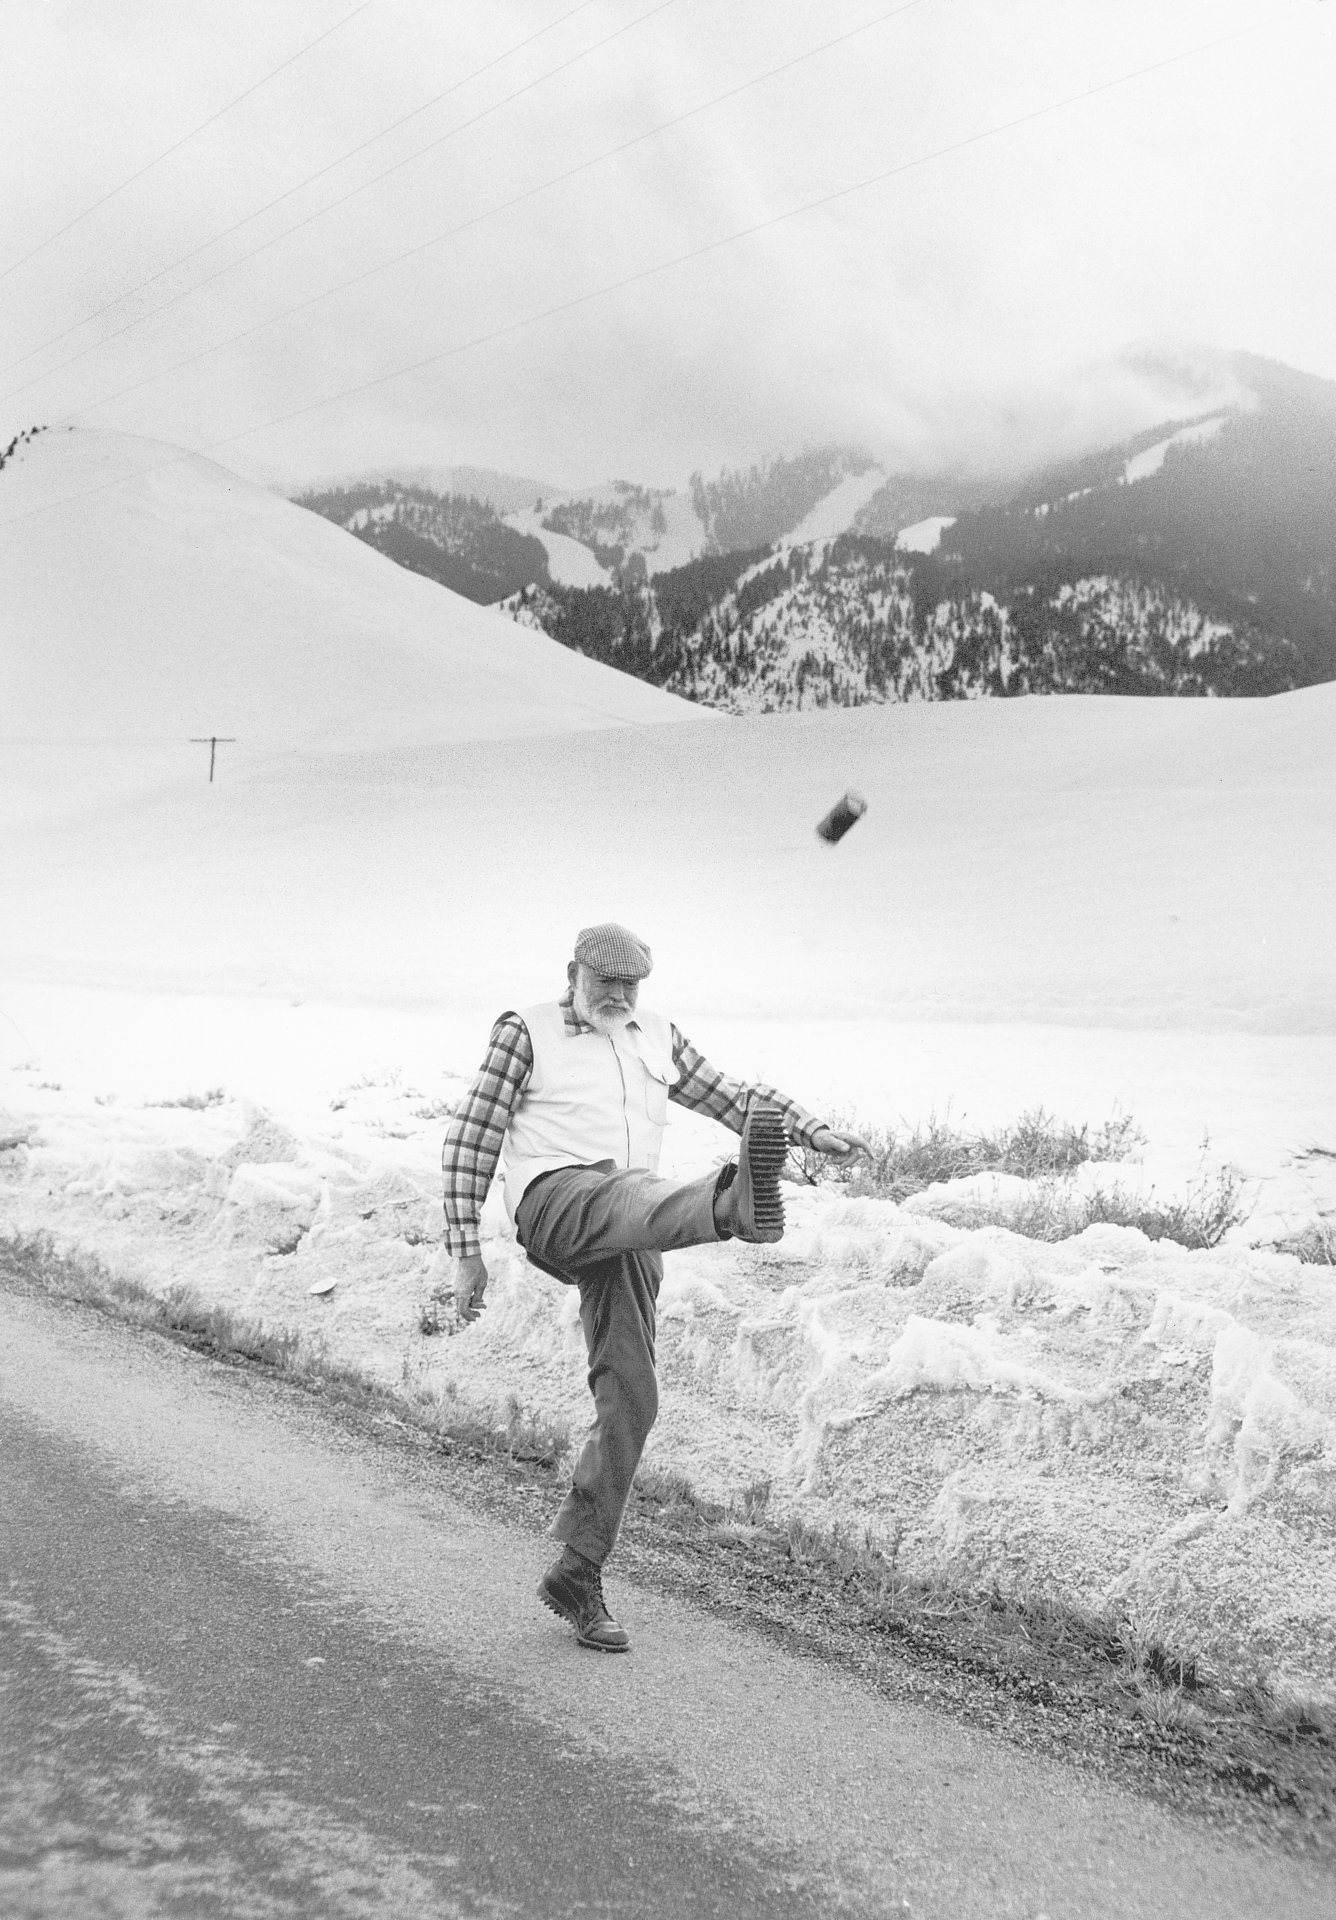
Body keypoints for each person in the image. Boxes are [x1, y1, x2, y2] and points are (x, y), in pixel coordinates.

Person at [440, 922, 869, 1654]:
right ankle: (731, 1204)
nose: (618, 996)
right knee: (629, 1191)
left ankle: (578, 1570)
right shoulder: (528, 1032)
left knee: (633, 1393)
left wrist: (808, 1126)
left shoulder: (655, 1034)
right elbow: (472, 1138)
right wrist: (465, 1253)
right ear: (573, 973)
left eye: (630, 986)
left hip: (636, 1224)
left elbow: (734, 1096)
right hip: (557, 1200)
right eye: (605, 983)